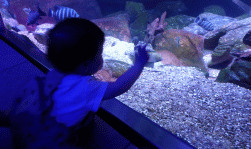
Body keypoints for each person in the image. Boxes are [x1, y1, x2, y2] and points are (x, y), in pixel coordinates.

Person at [1, 18, 149, 148]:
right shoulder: (86, 88)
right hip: (45, 141)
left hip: (22, 122)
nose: (102, 59)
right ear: (85, 65)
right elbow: (119, 86)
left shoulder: (54, 74)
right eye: (99, 56)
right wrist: (139, 63)